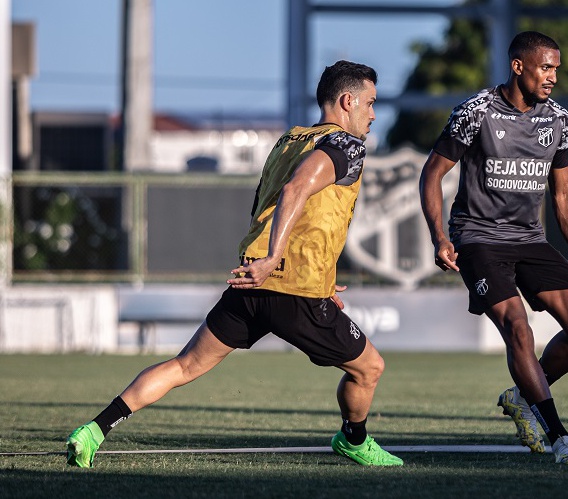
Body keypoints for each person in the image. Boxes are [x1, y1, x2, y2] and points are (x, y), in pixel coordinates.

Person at [66, 60, 403, 468]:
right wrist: (281, 260)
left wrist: (291, 268)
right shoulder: (347, 145)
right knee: (369, 368)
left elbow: (270, 205)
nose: (372, 114)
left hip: (252, 282)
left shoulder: (290, 140)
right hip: (291, 288)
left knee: (185, 365)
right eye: (369, 103)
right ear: (347, 101)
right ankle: (354, 439)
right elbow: (298, 188)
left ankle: (93, 430)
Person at [419, 31, 568, 465]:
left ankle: (523, 394)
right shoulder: (476, 112)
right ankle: (560, 436)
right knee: (517, 327)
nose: (553, 77)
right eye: (545, 67)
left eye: (557, 69)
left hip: (530, 239)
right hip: (478, 238)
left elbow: (563, 194)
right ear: (518, 66)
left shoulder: (559, 120)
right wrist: (439, 236)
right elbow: (432, 175)